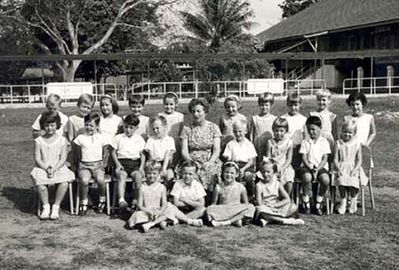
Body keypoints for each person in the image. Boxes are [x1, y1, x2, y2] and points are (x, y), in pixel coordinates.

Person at [31, 111, 75, 220]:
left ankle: (56, 207)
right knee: (41, 183)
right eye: (47, 125)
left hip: (58, 167)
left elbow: (63, 158)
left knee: (64, 182)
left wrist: (54, 169)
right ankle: (46, 207)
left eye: (52, 125)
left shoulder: (62, 140)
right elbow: (37, 158)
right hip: (43, 167)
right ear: (42, 126)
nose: (50, 128)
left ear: (57, 125)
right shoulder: (39, 140)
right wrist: (46, 168)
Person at [180, 98, 222, 195]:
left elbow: (216, 150)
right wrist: (192, 162)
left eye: (199, 111)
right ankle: (193, 199)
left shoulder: (214, 128)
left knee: (211, 171)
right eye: (193, 111)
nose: (195, 114)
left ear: (205, 112)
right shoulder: (186, 129)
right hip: (191, 160)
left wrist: (210, 162)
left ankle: (210, 199)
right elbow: (184, 151)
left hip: (209, 159)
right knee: (191, 172)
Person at [74, 112, 110, 215]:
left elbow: (106, 152)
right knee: (84, 180)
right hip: (85, 166)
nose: (89, 127)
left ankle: (102, 199)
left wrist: (104, 164)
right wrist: (78, 165)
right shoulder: (80, 138)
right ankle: (84, 202)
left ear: (97, 126)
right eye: (87, 125)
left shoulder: (101, 138)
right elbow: (76, 154)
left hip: (98, 165)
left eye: (92, 125)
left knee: (100, 179)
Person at [111, 114, 146, 211]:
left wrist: (142, 167)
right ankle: (121, 200)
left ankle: (135, 200)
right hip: (122, 163)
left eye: (131, 128)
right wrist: (118, 165)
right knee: (121, 176)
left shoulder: (139, 139)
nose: (128, 130)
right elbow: (113, 152)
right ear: (123, 125)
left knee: (138, 176)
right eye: (126, 127)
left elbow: (142, 154)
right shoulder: (118, 138)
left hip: (135, 163)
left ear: (136, 128)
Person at [255, 158, 304, 226]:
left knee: (293, 206)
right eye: (263, 172)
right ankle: (283, 220)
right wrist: (268, 207)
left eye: (268, 172)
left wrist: (275, 205)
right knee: (259, 209)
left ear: (274, 172)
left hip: (276, 206)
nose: (265, 174)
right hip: (266, 207)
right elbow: (259, 203)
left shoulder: (277, 184)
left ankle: (268, 220)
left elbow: (287, 199)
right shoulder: (259, 185)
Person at [127, 161, 172, 232]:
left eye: (154, 173)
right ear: (145, 173)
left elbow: (164, 204)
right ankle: (159, 222)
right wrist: (147, 211)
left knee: (169, 210)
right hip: (146, 212)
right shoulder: (142, 187)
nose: (151, 176)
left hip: (157, 211)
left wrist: (159, 212)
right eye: (149, 173)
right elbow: (140, 205)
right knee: (137, 216)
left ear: (159, 174)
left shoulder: (162, 187)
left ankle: (150, 223)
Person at [206, 162, 255, 227]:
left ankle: (226, 222)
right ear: (223, 173)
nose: (229, 175)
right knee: (209, 209)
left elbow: (246, 204)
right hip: (224, 210)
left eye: (232, 173)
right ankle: (235, 220)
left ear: (236, 174)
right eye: (226, 172)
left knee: (251, 207)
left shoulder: (241, 187)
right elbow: (213, 204)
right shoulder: (218, 187)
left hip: (236, 210)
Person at [333, 121, 368, 215]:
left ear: (354, 133)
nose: (347, 134)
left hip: (353, 166)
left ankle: (353, 200)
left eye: (350, 132)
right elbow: (335, 159)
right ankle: (343, 201)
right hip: (341, 165)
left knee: (353, 181)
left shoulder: (357, 143)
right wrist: (338, 168)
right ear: (341, 132)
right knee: (341, 180)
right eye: (345, 132)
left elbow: (359, 160)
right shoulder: (338, 143)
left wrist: (355, 169)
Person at [299, 116, 331, 215]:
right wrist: (310, 167)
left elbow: (325, 158)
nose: (311, 132)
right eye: (309, 130)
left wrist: (318, 169)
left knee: (325, 180)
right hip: (307, 166)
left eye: (313, 129)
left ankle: (319, 200)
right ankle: (306, 200)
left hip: (320, 167)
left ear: (320, 128)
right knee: (307, 177)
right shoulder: (305, 142)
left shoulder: (324, 142)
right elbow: (304, 158)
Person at [222, 119, 257, 199]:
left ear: (246, 131)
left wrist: (244, 169)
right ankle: (232, 196)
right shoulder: (230, 144)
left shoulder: (249, 144)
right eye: (235, 132)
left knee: (248, 176)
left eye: (240, 131)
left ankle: (250, 196)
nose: (238, 134)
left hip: (246, 166)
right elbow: (228, 160)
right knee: (230, 175)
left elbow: (251, 161)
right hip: (234, 165)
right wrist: (235, 169)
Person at [64, 93, 95, 172]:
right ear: (78, 105)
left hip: (89, 148)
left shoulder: (91, 119)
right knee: (76, 168)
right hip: (76, 148)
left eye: (88, 108)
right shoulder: (72, 119)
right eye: (83, 107)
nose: (85, 110)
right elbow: (71, 137)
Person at [265, 117, 295, 196]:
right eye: (276, 131)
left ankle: (286, 198)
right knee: (270, 179)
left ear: (286, 131)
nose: (279, 133)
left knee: (289, 181)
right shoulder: (270, 142)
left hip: (285, 166)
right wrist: (273, 168)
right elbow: (268, 158)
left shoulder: (289, 143)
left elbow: (289, 159)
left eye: (281, 131)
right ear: (273, 131)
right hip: (273, 166)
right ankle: (273, 198)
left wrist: (282, 168)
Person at [144, 115, 175, 188]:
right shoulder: (151, 140)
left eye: (157, 128)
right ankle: (154, 195)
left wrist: (164, 169)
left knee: (170, 176)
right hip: (153, 164)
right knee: (156, 178)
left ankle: (166, 194)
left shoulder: (169, 140)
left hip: (166, 164)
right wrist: (157, 169)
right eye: (153, 128)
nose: (155, 131)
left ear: (164, 127)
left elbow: (168, 155)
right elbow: (151, 156)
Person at [281, 92, 307, 170]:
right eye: (291, 105)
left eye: (296, 105)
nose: (293, 108)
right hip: (286, 147)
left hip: (299, 147)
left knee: (298, 167)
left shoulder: (303, 119)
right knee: (288, 166)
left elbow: (305, 135)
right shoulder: (283, 118)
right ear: (287, 105)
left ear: (300, 105)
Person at [249, 92, 277, 165]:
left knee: (268, 163)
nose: (264, 107)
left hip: (269, 144)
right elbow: (251, 134)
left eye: (266, 105)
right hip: (257, 145)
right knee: (258, 162)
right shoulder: (255, 118)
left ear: (271, 105)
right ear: (259, 105)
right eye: (262, 105)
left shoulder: (274, 118)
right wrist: (251, 146)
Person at [159, 92, 184, 165]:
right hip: (164, 140)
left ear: (176, 104)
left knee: (175, 159)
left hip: (175, 139)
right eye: (166, 104)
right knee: (165, 157)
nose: (169, 106)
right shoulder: (160, 115)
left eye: (171, 104)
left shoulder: (180, 116)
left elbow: (181, 130)